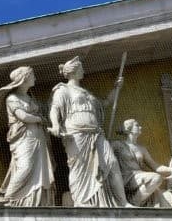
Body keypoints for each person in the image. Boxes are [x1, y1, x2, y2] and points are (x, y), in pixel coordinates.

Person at [48, 56, 130, 207]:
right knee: (80, 167)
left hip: (96, 133)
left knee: (111, 163)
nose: (83, 70)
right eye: (81, 68)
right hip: (77, 134)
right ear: (73, 71)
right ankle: (81, 201)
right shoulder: (63, 90)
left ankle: (123, 202)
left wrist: (116, 88)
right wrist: (55, 125)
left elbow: (105, 103)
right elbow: (55, 109)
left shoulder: (86, 92)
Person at [0, 66, 56, 206]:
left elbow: (45, 110)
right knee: (25, 167)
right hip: (24, 138)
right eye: (32, 75)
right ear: (24, 78)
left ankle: (36, 201)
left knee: (40, 169)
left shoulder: (31, 98)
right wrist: (40, 119)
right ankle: (9, 198)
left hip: (38, 137)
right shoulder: (12, 98)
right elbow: (22, 116)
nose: (35, 78)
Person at [112, 118, 172, 206]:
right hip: (126, 177)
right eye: (137, 125)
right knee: (156, 178)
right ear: (129, 129)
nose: (140, 127)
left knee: (157, 178)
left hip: (139, 176)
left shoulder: (142, 149)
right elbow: (107, 156)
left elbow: (155, 166)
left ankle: (134, 201)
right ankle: (133, 202)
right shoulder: (118, 145)